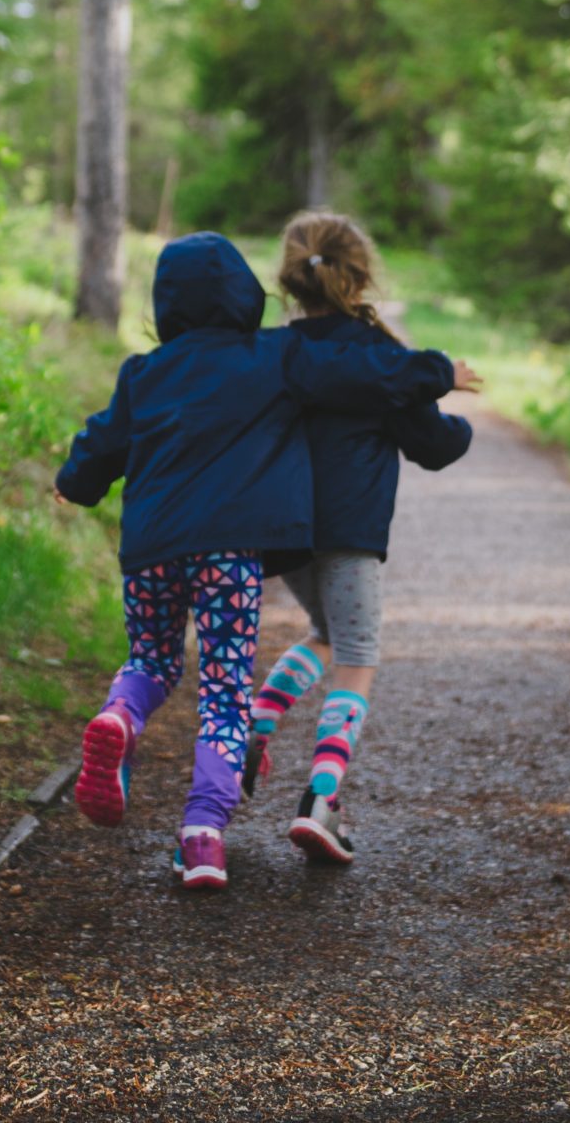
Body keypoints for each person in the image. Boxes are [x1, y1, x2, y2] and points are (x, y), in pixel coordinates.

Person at [54, 230, 478, 891]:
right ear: (246, 295)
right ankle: (202, 838)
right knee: (226, 694)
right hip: (230, 553)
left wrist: (73, 483)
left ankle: (120, 716)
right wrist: (438, 371)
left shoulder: (144, 371)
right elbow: (366, 374)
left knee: (153, 660)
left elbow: (101, 440)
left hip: (150, 547)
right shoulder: (273, 356)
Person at [244, 211, 476, 865]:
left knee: (325, 631)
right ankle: (321, 798)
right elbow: (430, 443)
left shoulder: (275, 351)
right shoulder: (382, 356)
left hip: (285, 527)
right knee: (359, 651)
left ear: (292, 280)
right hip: (349, 528)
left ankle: (261, 718)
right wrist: (460, 426)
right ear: (362, 273)